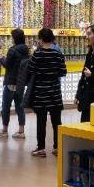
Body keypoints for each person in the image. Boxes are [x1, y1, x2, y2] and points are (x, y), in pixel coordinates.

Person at [28, 28, 67, 158]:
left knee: (41, 121)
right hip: (55, 92)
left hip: (40, 92)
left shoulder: (37, 54)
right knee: (57, 121)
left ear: (40, 39)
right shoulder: (58, 54)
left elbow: (31, 70)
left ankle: (41, 148)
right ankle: (57, 147)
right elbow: (63, 72)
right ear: (52, 38)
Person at [0, 28, 28, 139]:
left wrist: (1, 58)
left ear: (15, 38)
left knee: (6, 107)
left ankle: (4, 130)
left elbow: (7, 65)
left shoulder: (12, 50)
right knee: (20, 108)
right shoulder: (26, 50)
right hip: (20, 83)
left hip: (10, 82)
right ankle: (21, 131)